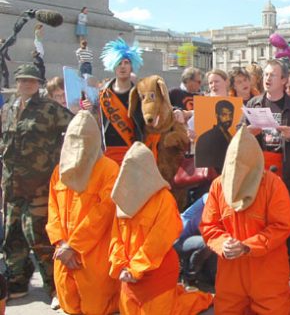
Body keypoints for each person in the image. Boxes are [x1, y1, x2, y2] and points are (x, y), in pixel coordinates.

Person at [108, 142, 213, 314]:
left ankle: (203, 298)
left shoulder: (164, 200)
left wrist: (135, 269)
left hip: (156, 274)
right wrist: (120, 265)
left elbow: (159, 242)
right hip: (129, 273)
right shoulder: (123, 198)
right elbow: (115, 237)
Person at [200, 126, 290, 314]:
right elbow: (209, 225)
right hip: (230, 275)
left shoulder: (273, 184)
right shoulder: (218, 185)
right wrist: (223, 244)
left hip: (268, 274)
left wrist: (248, 246)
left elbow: (282, 226)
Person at [0, 64, 73, 300]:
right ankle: (17, 281)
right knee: (12, 236)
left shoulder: (49, 108)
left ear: (39, 84)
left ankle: (55, 287)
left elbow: (75, 128)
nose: (26, 84)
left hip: (39, 185)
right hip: (13, 186)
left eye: (31, 81)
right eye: (22, 80)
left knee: (39, 237)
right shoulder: (9, 109)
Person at [246, 59, 290, 293]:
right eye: (265, 74)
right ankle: (265, 267)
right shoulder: (253, 104)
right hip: (260, 175)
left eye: (273, 75)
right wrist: (247, 132)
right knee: (261, 222)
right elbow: (239, 137)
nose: (267, 78)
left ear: (284, 80)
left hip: (288, 172)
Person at [46, 111, 120, 315]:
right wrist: (60, 242)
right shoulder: (59, 171)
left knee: (96, 308)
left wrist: (74, 245)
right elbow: (52, 211)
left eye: (84, 140)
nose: (78, 145)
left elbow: (103, 214)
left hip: (93, 255)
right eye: (73, 139)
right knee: (68, 304)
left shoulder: (109, 170)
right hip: (64, 254)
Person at [174, 193, 216, 290]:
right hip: (177, 240)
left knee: (215, 244)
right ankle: (189, 278)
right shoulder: (210, 197)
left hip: (191, 238)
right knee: (206, 243)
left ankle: (210, 279)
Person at [195, 100, 235, 173]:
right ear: (217, 115)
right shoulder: (206, 138)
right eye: (224, 115)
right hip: (214, 180)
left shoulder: (231, 136)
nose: (228, 118)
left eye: (230, 115)